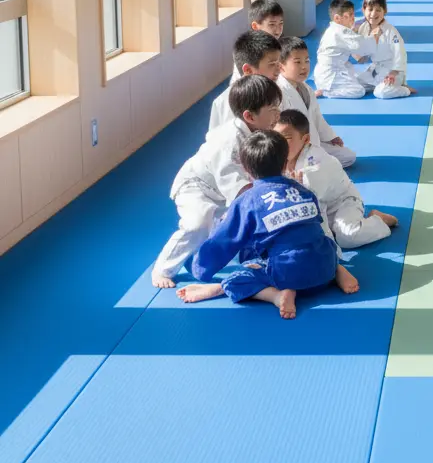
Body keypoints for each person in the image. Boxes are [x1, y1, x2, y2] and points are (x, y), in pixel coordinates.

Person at [176, 130, 359, 318]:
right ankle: (337, 269)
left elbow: (223, 242)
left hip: (288, 273)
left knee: (240, 277)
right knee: (305, 242)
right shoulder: (303, 190)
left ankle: (275, 295)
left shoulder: (248, 200)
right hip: (325, 264)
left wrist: (198, 267)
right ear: (285, 161)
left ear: (246, 169)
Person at [151, 75, 283, 288]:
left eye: (277, 106)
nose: (278, 113)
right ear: (249, 116)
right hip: (195, 186)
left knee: (242, 221)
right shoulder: (228, 142)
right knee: (199, 223)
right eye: (272, 109)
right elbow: (239, 190)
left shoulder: (259, 130)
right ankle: (163, 268)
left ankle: (252, 255)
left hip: (223, 191)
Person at [276, 110, 397, 249]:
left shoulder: (316, 165)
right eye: (277, 137)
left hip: (341, 202)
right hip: (313, 207)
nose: (280, 144)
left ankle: (380, 220)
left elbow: (315, 207)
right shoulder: (277, 157)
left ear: (305, 139)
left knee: (347, 236)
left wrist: (328, 250)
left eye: (287, 138)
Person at [277, 36, 356, 168]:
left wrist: (331, 137)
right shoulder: (278, 92)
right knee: (321, 168)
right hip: (292, 150)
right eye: (297, 62)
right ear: (281, 66)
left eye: (307, 61)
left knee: (348, 156)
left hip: (312, 143)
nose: (304, 67)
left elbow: (317, 117)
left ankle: (319, 164)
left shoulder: (306, 88)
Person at [209, 30, 281, 133]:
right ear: (248, 70)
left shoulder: (277, 89)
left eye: (278, 63)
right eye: (272, 64)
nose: (278, 70)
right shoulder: (225, 104)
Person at [313, 0, 376, 99]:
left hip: (334, 71)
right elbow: (361, 47)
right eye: (349, 15)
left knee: (368, 81)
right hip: (330, 76)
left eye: (353, 14)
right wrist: (375, 37)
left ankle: (327, 88)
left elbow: (358, 51)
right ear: (337, 18)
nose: (353, 18)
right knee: (359, 91)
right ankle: (326, 92)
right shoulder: (340, 32)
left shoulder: (334, 29)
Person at [357, 0, 415, 99]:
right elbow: (362, 54)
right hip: (375, 69)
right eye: (370, 9)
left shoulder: (391, 31)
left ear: (385, 11)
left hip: (392, 70)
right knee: (355, 86)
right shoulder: (363, 28)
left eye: (378, 10)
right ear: (363, 10)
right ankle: (387, 86)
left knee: (380, 93)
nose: (373, 14)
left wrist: (394, 72)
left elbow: (400, 53)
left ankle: (404, 89)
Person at [229, 0, 285, 84]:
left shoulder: (277, 45)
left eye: (281, 23)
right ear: (255, 26)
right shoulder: (249, 49)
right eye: (272, 24)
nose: (278, 30)